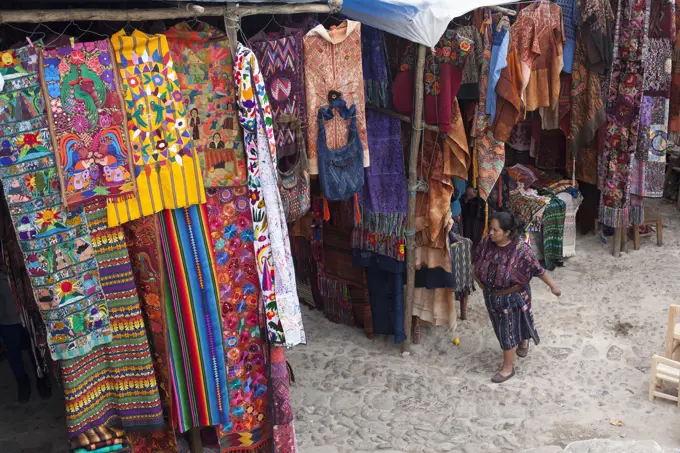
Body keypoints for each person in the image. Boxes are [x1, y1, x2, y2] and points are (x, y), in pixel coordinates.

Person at [474, 211, 561, 383]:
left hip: (512, 297)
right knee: (500, 328)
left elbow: (538, 269)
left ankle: (507, 369)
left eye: (495, 230)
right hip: (491, 297)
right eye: (490, 229)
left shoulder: (521, 250)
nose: (490, 233)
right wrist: (478, 279)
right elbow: (477, 259)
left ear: (507, 232)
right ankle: (523, 341)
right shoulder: (486, 242)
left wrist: (553, 286)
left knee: (508, 332)